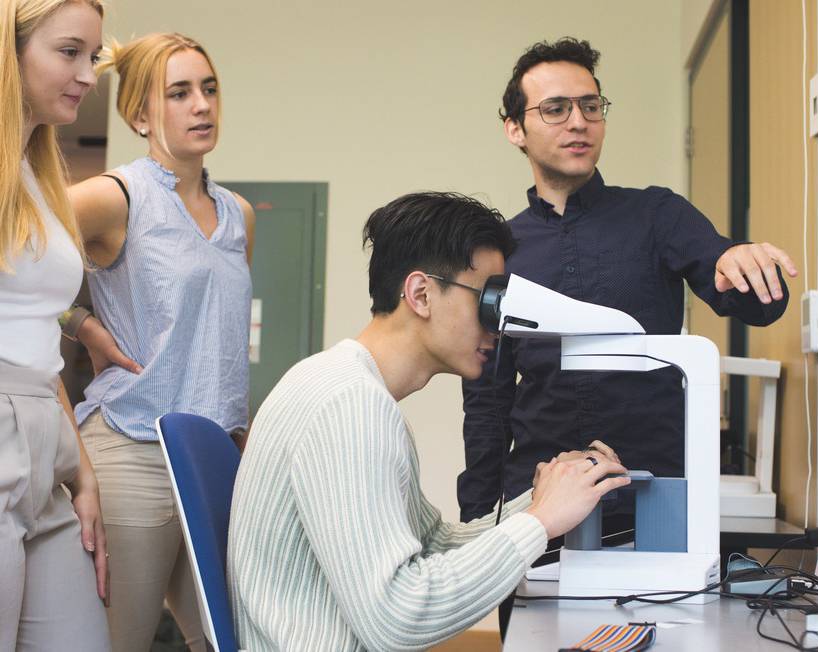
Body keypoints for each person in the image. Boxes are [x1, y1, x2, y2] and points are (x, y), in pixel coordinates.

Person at [228, 191, 629, 651]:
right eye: (488, 300)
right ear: (421, 294)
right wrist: (539, 521)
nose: (498, 323)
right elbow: (398, 618)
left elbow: (433, 543)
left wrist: (545, 501)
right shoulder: (349, 405)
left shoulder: (350, 386)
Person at [460, 37, 798, 541]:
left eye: (590, 106)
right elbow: (486, 397)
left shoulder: (658, 215)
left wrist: (744, 263)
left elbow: (747, 299)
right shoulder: (499, 251)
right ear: (515, 128)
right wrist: (481, 515)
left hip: (655, 493)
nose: (579, 122)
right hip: (538, 501)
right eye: (555, 109)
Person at [66, 32, 256, 651]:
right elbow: (19, 250)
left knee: (230, 640)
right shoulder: (115, 196)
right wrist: (80, 323)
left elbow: (216, 339)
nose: (201, 105)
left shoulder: (238, 215)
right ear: (140, 115)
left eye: (209, 88)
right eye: (179, 93)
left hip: (211, 453)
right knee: (119, 641)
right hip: (131, 447)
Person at [0, 0, 110, 649]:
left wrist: (83, 470)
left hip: (47, 441)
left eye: (92, 56)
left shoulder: (37, 176)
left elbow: (37, 338)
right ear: (11, 54)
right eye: (70, 52)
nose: (89, 73)